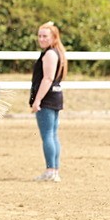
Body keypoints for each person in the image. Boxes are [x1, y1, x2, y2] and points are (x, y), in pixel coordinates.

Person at [30, 22, 67, 182]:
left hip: (47, 99)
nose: (41, 39)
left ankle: (51, 170)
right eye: (39, 35)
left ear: (53, 37)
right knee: (52, 134)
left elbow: (48, 78)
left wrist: (37, 100)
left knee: (48, 135)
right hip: (55, 97)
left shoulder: (50, 54)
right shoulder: (56, 52)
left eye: (45, 36)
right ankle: (54, 169)